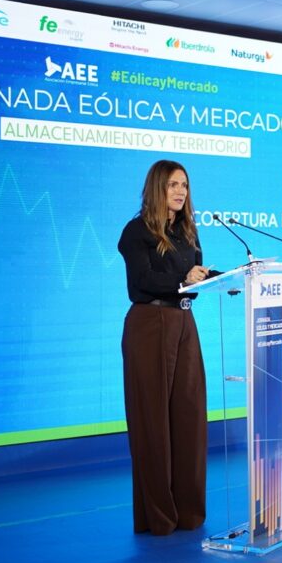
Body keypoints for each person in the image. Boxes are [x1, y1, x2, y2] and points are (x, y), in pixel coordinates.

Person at [117, 159, 216, 535]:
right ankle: (158, 516)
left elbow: (193, 281)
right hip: (150, 324)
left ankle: (188, 513)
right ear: (158, 187)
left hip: (184, 323)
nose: (181, 192)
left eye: (185, 185)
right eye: (174, 184)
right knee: (153, 423)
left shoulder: (188, 232)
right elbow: (142, 280)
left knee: (190, 417)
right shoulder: (136, 231)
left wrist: (215, 279)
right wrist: (182, 279)